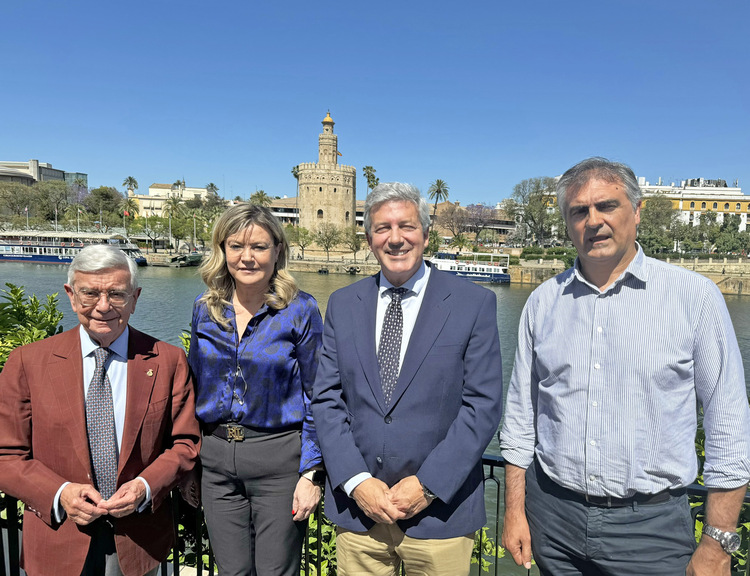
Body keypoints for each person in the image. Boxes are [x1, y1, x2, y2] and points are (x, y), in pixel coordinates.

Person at [499, 157, 750, 576]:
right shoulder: (543, 303)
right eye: (579, 211)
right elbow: (521, 418)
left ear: (636, 211)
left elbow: (729, 423)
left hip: (650, 528)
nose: (593, 220)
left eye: (606, 206)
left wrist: (718, 542)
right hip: (552, 519)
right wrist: (514, 511)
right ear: (567, 223)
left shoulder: (694, 299)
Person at [312, 182, 503, 575]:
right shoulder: (344, 304)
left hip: (440, 517)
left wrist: (428, 484)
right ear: (369, 239)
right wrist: (354, 480)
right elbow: (327, 399)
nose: (395, 238)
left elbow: (483, 406)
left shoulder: (473, 304)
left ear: (426, 235)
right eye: (383, 228)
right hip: (360, 514)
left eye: (407, 227)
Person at [0, 245, 201, 576]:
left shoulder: (167, 360)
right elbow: (7, 455)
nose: (103, 306)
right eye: (90, 293)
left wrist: (146, 487)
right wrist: (60, 493)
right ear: (70, 295)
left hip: (139, 543)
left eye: (117, 294)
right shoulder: (28, 363)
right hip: (57, 542)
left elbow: (185, 443)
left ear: (135, 298)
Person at [188, 203, 324, 576]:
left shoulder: (300, 310)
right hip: (216, 463)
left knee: (276, 572)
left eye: (259, 247)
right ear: (222, 250)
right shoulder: (205, 310)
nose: (246, 258)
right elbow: (192, 387)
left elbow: (319, 394)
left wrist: (311, 473)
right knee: (231, 572)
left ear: (277, 250)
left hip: (278, 462)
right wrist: (189, 465)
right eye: (235, 246)